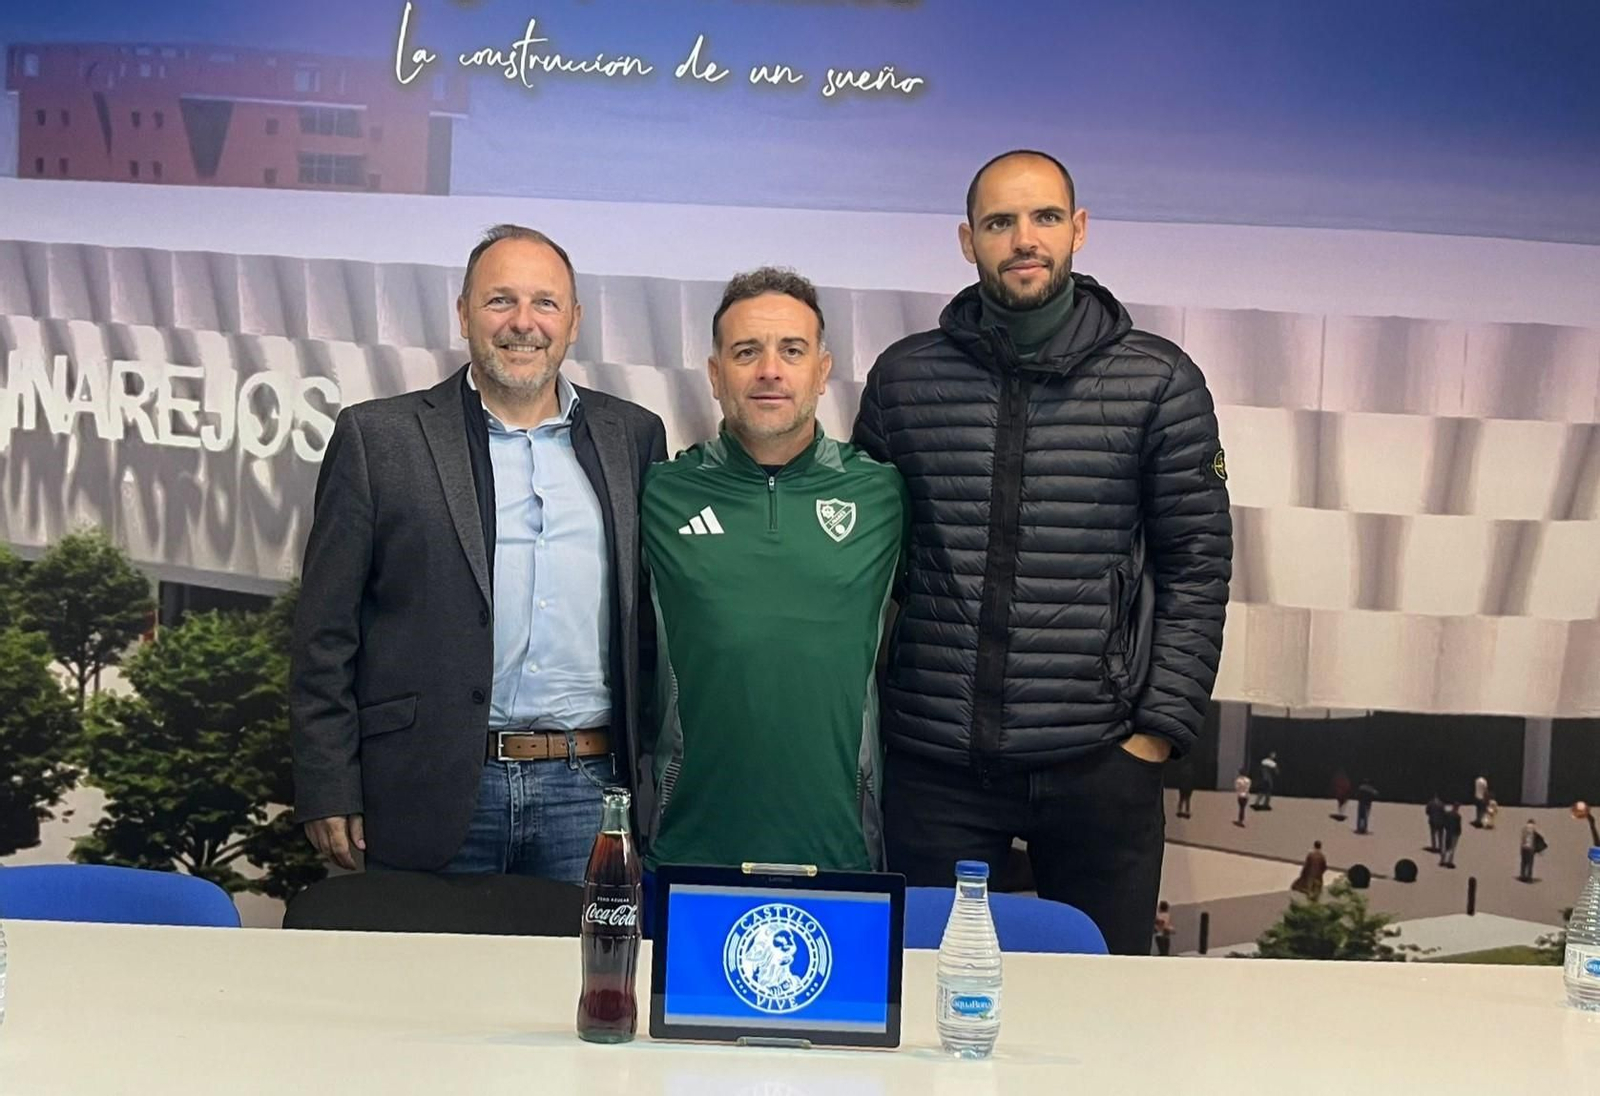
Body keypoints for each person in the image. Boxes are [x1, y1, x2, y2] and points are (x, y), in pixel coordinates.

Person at [851, 149, 1232, 957]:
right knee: (921, 1001)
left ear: (1079, 229)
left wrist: (1154, 736)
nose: (1024, 239)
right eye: (999, 222)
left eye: (1044, 217)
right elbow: (866, 563)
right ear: (968, 240)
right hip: (933, 765)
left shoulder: (1159, 380)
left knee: (1100, 1018)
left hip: (1100, 764)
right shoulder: (903, 380)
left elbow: (1197, 564)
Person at [291, 224, 667, 879]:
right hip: (427, 788)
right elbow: (324, 634)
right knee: (424, 983)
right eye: (501, 301)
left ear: (574, 321)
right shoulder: (378, 438)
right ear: (464, 313)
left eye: (545, 303)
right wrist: (328, 785)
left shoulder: (632, 435)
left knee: (582, 980)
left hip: (591, 794)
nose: (524, 323)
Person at [639, 268, 907, 871]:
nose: (769, 370)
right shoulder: (660, 492)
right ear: (714, 375)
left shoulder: (883, 495)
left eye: (792, 350)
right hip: (688, 852)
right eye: (746, 352)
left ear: (822, 369)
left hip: (841, 853)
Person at [1439, 803, 1462, 868]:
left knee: (1445, 847)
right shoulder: (1458, 816)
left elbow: (1444, 822)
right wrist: (1459, 833)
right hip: (1454, 833)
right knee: (1452, 848)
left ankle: (1442, 860)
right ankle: (1449, 861)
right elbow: (1458, 826)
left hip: (1447, 831)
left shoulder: (1448, 814)